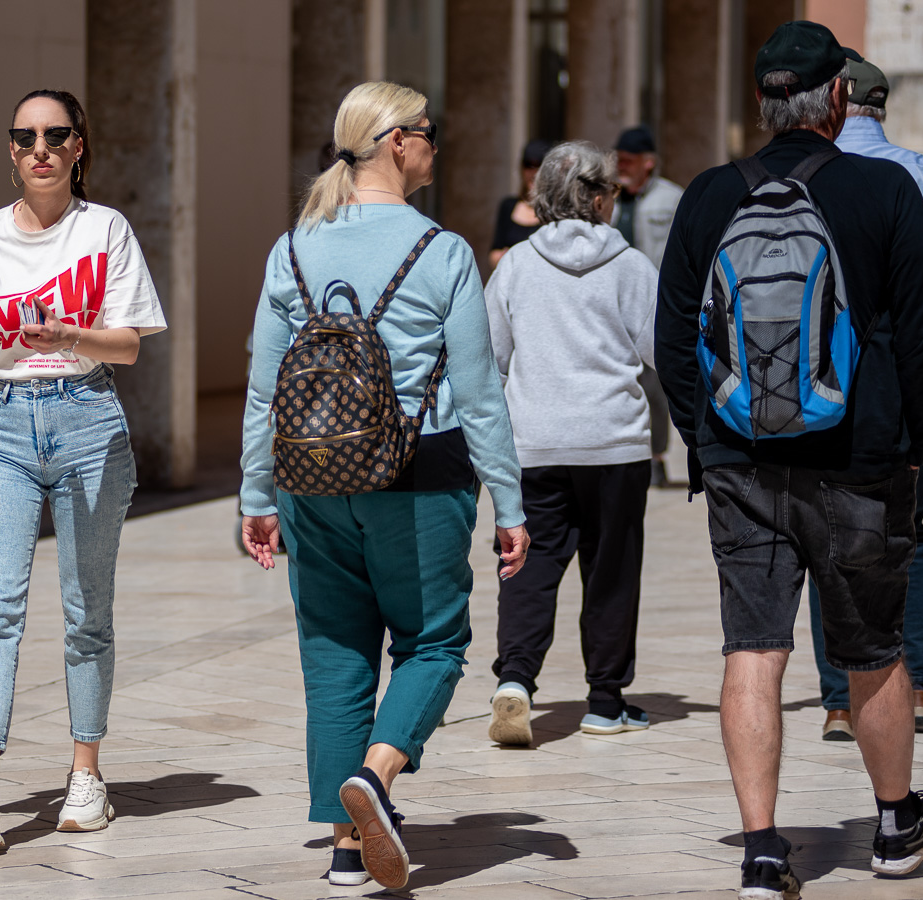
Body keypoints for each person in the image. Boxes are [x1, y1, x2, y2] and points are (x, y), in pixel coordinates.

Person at [656, 21, 923, 899]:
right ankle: (895, 825)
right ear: (837, 99)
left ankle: (760, 849)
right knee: (872, 649)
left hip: (740, 460)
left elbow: (671, 340)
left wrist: (709, 441)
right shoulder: (886, 190)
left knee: (753, 648)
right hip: (862, 461)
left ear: (763, 103)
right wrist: (912, 453)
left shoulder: (710, 196)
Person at [240, 82, 529, 891]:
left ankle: (344, 851)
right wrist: (509, 504)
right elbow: (479, 394)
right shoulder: (441, 251)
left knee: (334, 652)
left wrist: (256, 495)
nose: (437, 144)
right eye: (429, 132)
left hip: (309, 480)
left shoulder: (293, 248)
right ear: (397, 142)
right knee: (434, 643)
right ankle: (377, 773)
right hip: (418, 474)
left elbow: (263, 391)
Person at [0, 89, 167, 850]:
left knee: (87, 611)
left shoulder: (105, 229)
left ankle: (86, 776)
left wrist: (72, 336)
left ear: (79, 146)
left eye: (56, 136)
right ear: (11, 150)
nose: (40, 150)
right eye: (25, 138)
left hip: (88, 422)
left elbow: (130, 344)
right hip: (0, 427)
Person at [810, 47, 923, 742]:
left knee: (823, 531)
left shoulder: (806, 172)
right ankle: (919, 685)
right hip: (911, 370)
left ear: (834, 99)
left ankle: (840, 699)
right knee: (908, 529)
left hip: (818, 373)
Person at [482, 141, 658, 747]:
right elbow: (661, 351)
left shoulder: (516, 265)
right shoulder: (631, 266)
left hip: (534, 443)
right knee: (611, 571)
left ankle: (515, 679)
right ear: (602, 198)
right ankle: (605, 701)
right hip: (614, 443)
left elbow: (491, 359)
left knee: (526, 565)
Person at [613, 126, 683, 487]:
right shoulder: (609, 198)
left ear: (648, 163)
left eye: (628, 161)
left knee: (655, 387)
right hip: (612, 304)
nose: (621, 167)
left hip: (653, 303)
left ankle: (656, 457)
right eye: (619, 160)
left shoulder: (671, 198)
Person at [488, 139, 551, 268]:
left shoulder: (554, 209)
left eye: (539, 166)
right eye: (529, 165)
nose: (534, 173)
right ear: (521, 168)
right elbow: (494, 254)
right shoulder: (508, 206)